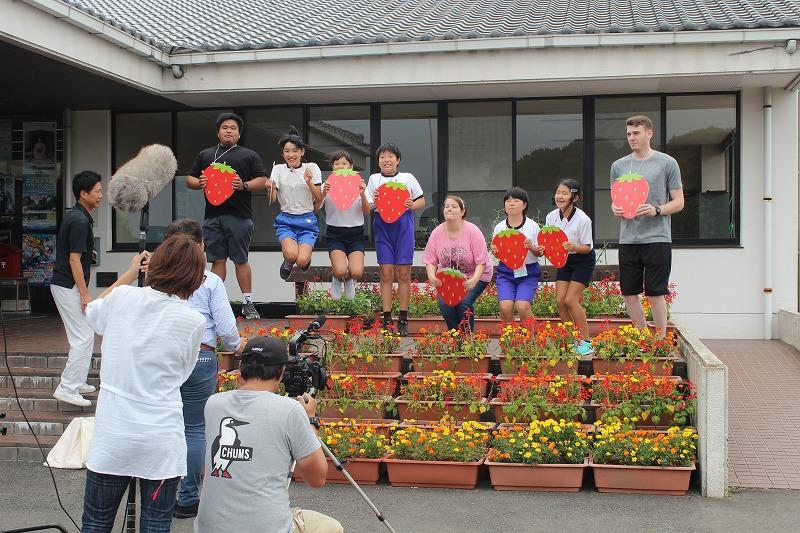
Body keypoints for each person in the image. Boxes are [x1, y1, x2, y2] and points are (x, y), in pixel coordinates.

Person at [81, 234, 206, 533]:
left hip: (113, 435)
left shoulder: (122, 297)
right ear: (194, 277)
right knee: (156, 526)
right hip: (160, 440)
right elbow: (183, 373)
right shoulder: (193, 321)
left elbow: (92, 312)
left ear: (156, 264)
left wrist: (128, 274)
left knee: (96, 523)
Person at [194, 336, 343, 533]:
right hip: (267, 528)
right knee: (332, 527)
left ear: (242, 368)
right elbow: (317, 479)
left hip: (209, 528)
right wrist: (310, 421)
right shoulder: (289, 410)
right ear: (281, 372)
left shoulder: (213, 403)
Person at [163, 219, 245, 519]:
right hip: (202, 357)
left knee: (166, 425)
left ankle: (161, 496)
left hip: (165, 357)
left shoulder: (158, 280)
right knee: (195, 429)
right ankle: (187, 498)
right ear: (201, 246)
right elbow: (226, 328)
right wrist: (237, 345)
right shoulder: (210, 280)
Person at [186, 112, 270, 320]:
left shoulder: (249, 155)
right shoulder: (206, 155)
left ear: (239, 134)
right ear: (218, 132)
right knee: (217, 260)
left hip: (240, 216)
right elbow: (190, 179)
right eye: (225, 128)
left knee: (240, 259)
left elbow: (262, 180)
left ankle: (248, 303)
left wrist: (244, 185)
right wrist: (200, 183)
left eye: (233, 128)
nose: (229, 131)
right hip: (212, 216)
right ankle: (213, 302)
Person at [610, 115, 684, 338]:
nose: (631, 138)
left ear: (649, 133)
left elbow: (679, 202)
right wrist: (615, 209)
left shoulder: (667, 163)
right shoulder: (618, 166)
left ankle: (660, 340)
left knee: (655, 292)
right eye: (628, 134)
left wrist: (657, 210)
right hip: (628, 239)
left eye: (636, 133)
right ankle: (642, 337)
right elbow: (615, 199)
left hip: (657, 237)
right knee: (629, 293)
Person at [50, 170, 102, 407]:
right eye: (97, 191)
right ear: (83, 193)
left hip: (65, 285)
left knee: (84, 334)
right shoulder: (80, 220)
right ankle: (67, 387)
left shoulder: (77, 216)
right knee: (83, 337)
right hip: (67, 286)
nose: (101, 195)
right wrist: (84, 293)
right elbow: (74, 260)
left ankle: (77, 380)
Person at [365, 143, 426, 336]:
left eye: (390, 156)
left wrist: (411, 204)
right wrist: (374, 200)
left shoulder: (408, 177)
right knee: (386, 273)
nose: (386, 160)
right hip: (382, 228)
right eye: (382, 157)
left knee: (404, 274)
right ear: (378, 161)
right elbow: (366, 207)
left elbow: (421, 200)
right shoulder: (374, 179)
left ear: (398, 160)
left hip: (404, 227)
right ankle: (387, 318)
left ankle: (403, 318)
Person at [423, 196, 492, 332]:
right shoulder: (437, 232)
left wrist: (473, 280)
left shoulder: (473, 231)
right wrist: (431, 276)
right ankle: (455, 337)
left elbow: (481, 262)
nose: (449, 209)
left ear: (462, 211)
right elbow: (430, 260)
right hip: (448, 277)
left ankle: (467, 338)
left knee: (464, 303)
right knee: (445, 305)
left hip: (475, 275)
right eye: (447, 206)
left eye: (454, 206)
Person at [545, 179, 596, 356]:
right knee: (560, 301)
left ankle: (586, 341)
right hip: (564, 259)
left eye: (565, 193)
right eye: (558, 192)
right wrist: (545, 248)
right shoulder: (551, 217)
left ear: (575, 198)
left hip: (583, 259)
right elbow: (549, 241)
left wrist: (574, 247)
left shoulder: (583, 219)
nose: (560, 196)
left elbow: (587, 247)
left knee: (571, 300)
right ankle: (570, 339)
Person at [271, 126, 323, 280]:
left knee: (301, 261)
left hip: (307, 220)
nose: (291, 155)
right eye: (287, 151)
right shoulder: (278, 169)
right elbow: (272, 199)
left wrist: (309, 181)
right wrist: (270, 188)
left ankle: (304, 258)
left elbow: (318, 197)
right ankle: (288, 261)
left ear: (302, 152)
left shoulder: (311, 167)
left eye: (295, 151)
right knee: (291, 255)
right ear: (283, 153)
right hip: (286, 219)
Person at [491, 187, 543, 324]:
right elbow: (498, 255)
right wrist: (495, 252)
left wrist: (531, 247)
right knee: (505, 307)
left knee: (523, 307)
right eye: (508, 201)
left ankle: (531, 336)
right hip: (505, 272)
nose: (511, 203)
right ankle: (512, 336)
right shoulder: (499, 227)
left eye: (516, 200)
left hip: (528, 272)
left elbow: (540, 253)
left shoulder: (533, 226)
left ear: (524, 205)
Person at [322, 150, 369, 300]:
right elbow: (316, 207)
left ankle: (348, 278)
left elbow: (366, 211)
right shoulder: (327, 185)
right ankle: (338, 276)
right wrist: (324, 193)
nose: (341, 166)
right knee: (340, 269)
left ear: (351, 166)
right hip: (335, 234)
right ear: (332, 167)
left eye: (344, 163)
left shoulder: (359, 184)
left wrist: (362, 194)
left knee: (357, 272)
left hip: (356, 234)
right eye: (337, 163)